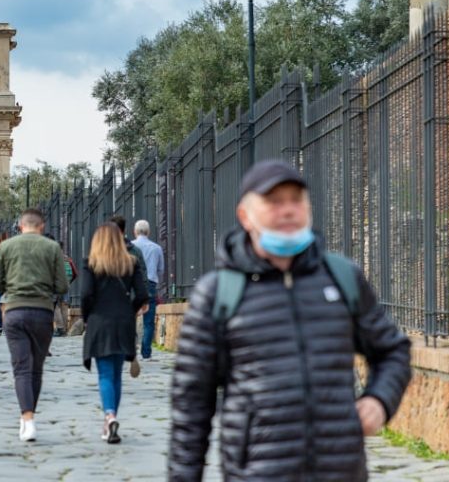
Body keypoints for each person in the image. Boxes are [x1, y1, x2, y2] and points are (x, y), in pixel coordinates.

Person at [169, 160, 411, 481]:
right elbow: (191, 406)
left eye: (296, 200)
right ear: (245, 215)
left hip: (341, 470)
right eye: (274, 201)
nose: (288, 210)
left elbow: (393, 351)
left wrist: (379, 400)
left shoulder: (342, 278)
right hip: (258, 472)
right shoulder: (217, 294)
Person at [0, 208, 69, 441]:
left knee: (21, 367)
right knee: (36, 368)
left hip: (14, 312)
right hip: (42, 313)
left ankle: (27, 418)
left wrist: (10, 284)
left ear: (20, 226)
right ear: (41, 226)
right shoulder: (52, 248)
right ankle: (29, 417)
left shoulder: (6, 247)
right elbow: (62, 286)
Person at [80, 222, 149, 445]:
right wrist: (130, 310)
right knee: (117, 374)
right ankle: (111, 418)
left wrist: (87, 316)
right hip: (124, 322)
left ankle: (109, 416)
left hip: (100, 321)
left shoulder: (91, 264)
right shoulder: (131, 262)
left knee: (105, 374)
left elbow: (86, 294)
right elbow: (142, 293)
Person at [110, 215, 147, 377]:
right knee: (130, 326)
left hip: (109, 298)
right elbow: (142, 275)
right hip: (130, 297)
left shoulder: (104, 250)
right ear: (125, 231)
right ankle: (131, 351)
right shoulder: (135, 251)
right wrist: (143, 298)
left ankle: (115, 352)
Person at [132, 220, 164, 359]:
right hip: (150, 283)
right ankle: (146, 351)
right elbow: (161, 269)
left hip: (132, 284)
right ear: (149, 232)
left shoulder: (130, 246)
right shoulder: (156, 248)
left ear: (135, 231)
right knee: (149, 320)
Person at [53, 240, 78, 337]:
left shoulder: (54, 258)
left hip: (56, 285)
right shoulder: (68, 259)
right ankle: (65, 330)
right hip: (67, 285)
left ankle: (60, 328)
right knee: (64, 306)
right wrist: (69, 282)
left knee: (55, 307)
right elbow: (75, 273)